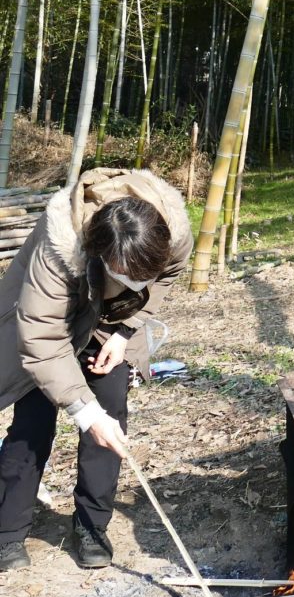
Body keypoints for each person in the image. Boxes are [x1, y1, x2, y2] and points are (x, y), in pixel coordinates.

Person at [0, 168, 192, 571]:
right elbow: (41, 339)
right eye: (127, 275)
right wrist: (84, 412)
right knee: (33, 420)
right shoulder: (58, 248)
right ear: (100, 253)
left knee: (110, 413)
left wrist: (124, 331)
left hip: (112, 318)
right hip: (51, 318)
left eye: (143, 277)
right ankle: (8, 532)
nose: (137, 283)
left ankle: (92, 525)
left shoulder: (172, 233)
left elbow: (168, 276)